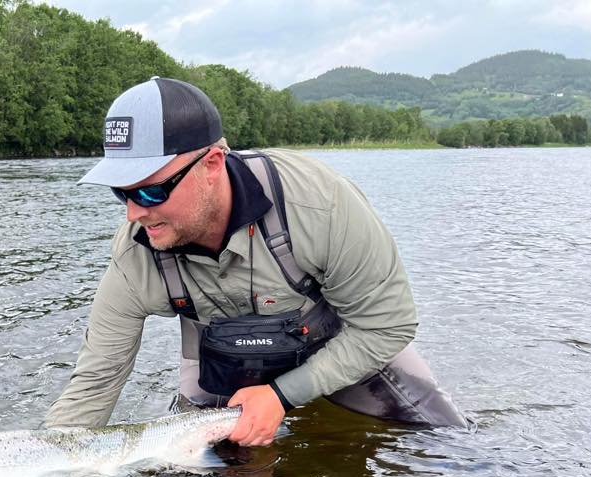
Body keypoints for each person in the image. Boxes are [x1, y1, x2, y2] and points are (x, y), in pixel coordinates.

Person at [45, 77, 466, 445]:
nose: (133, 213)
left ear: (212, 164)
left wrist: (281, 396)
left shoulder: (320, 204)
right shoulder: (135, 254)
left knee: (449, 449)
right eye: (121, 192)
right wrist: (41, 465)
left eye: (150, 191)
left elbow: (387, 326)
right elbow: (96, 381)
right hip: (220, 365)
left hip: (337, 343)